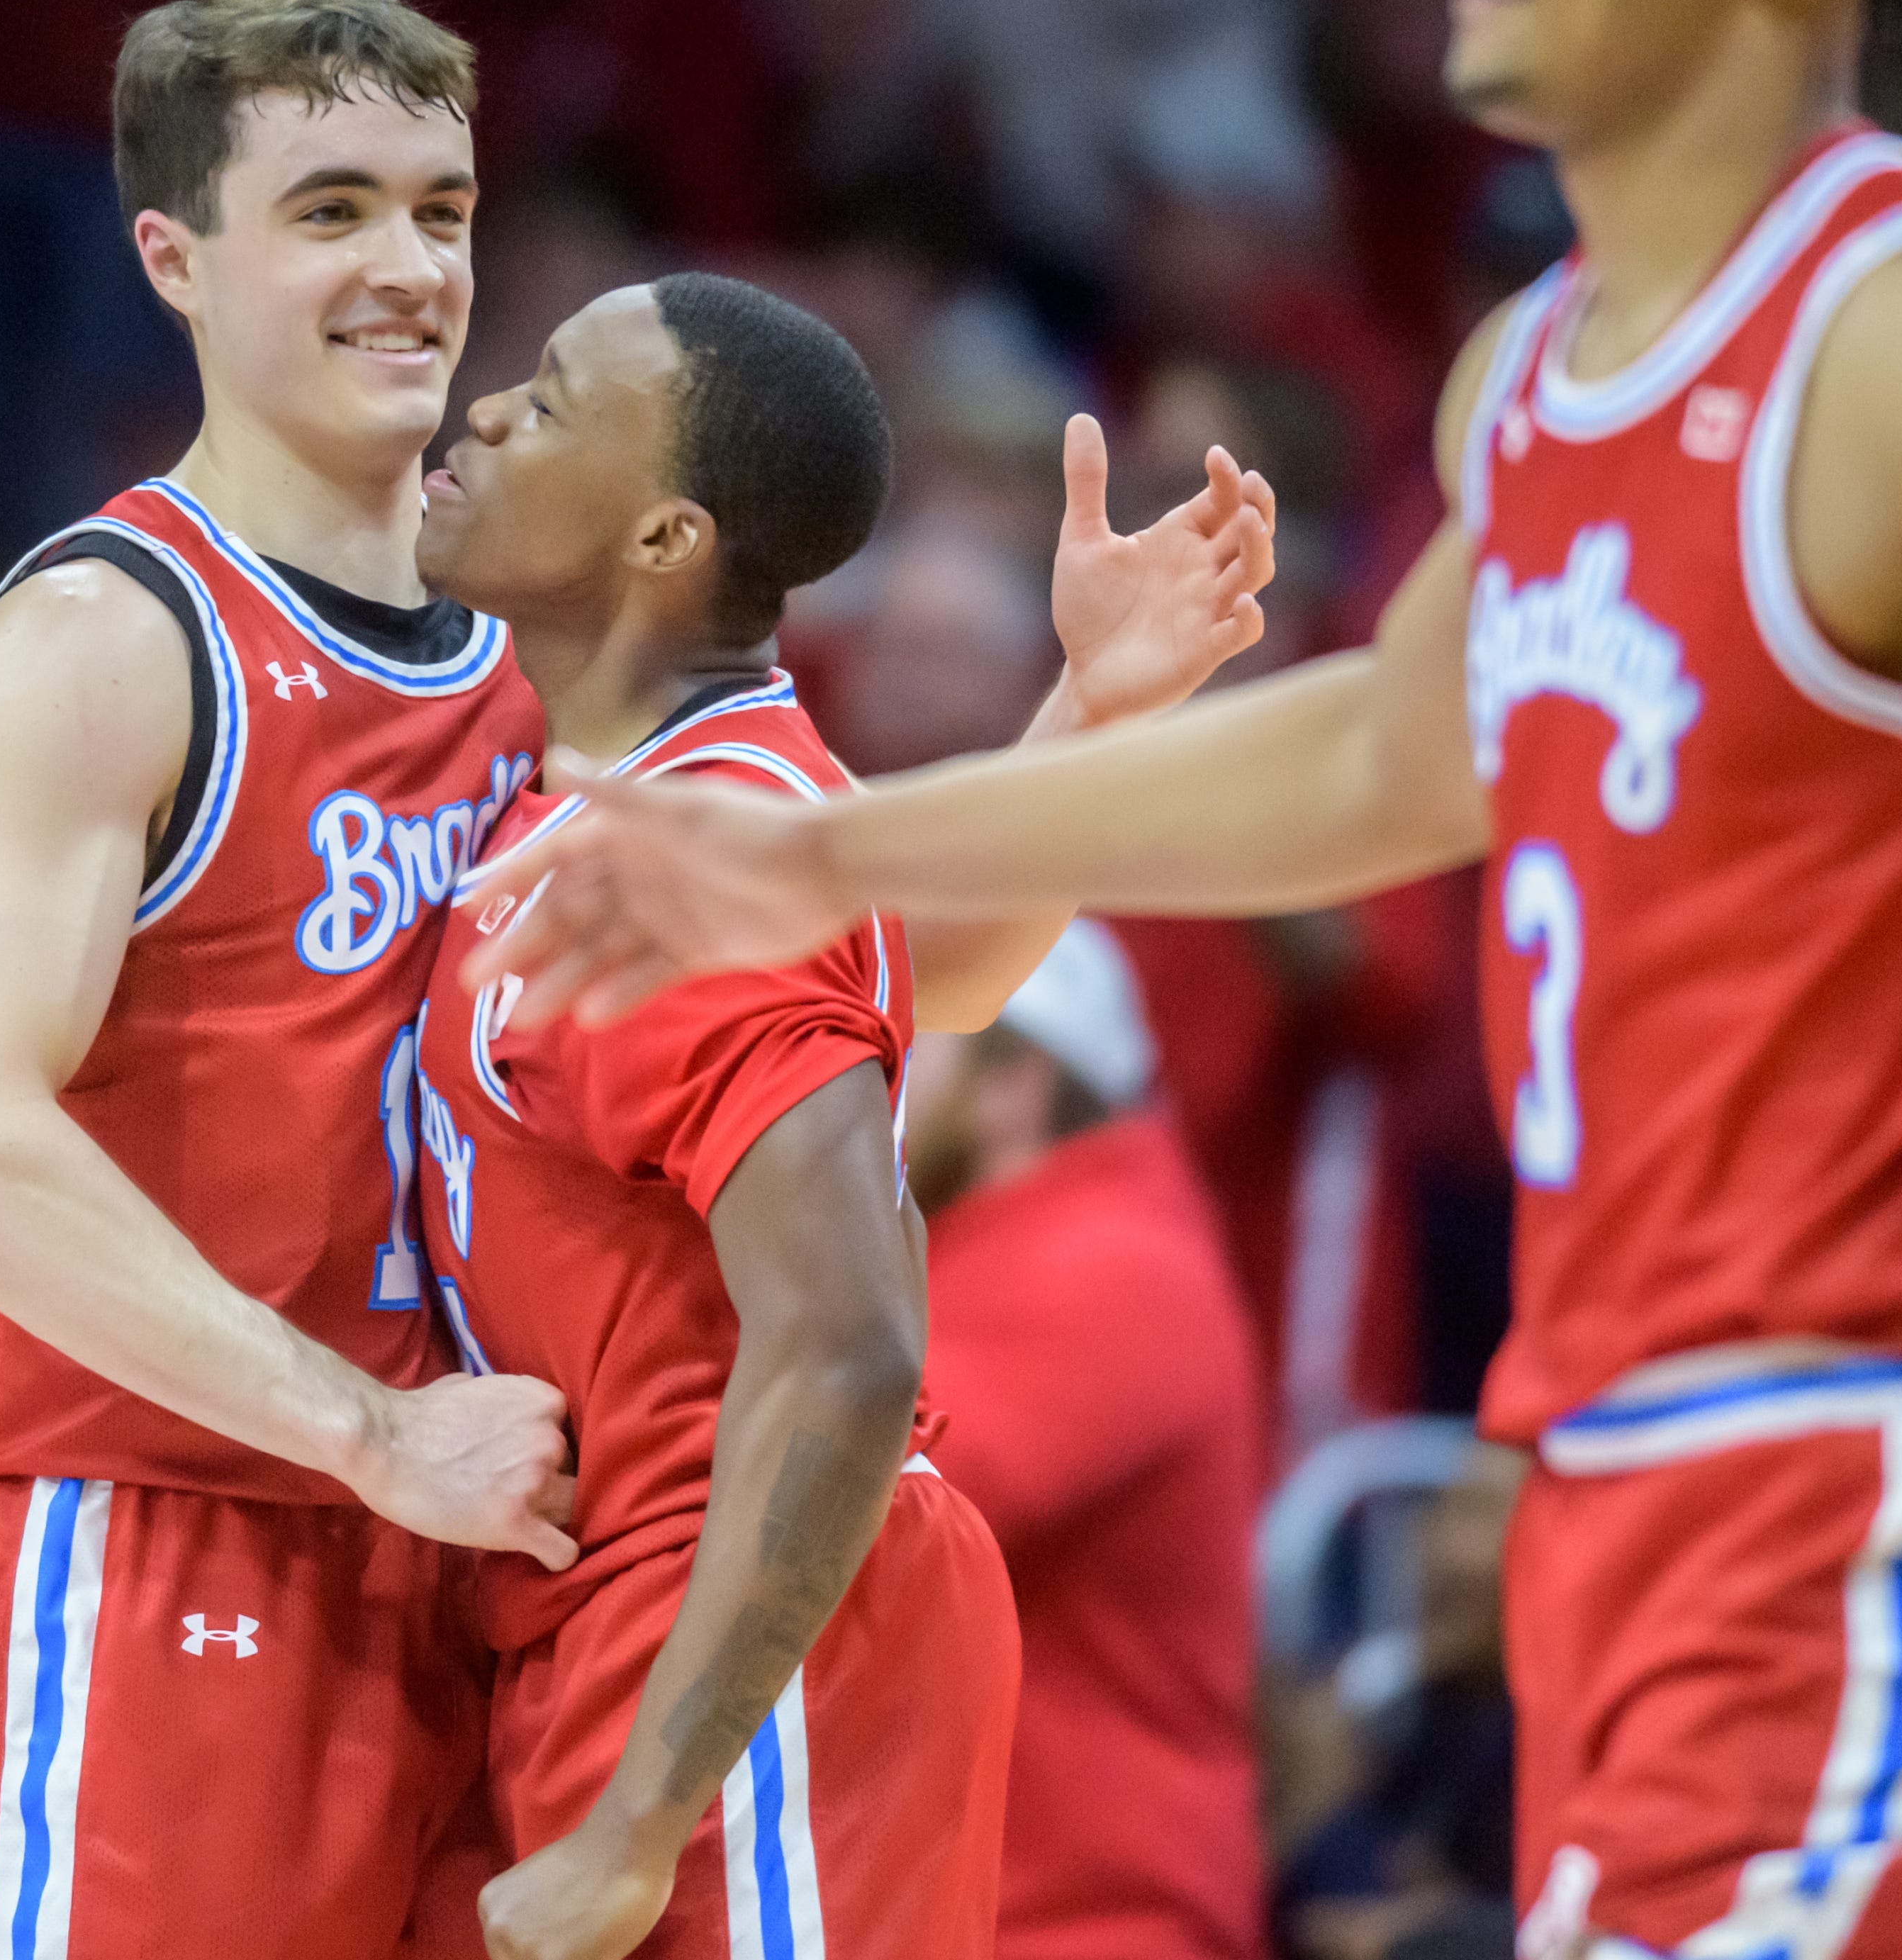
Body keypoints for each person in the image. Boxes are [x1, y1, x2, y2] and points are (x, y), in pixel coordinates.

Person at [463, 0, 1902, 1954]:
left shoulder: (1883, 344)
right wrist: (827, 854)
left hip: (1841, 1463)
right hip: (1616, 1476)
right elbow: (1377, 757)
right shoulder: (1525, 384)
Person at [407, 271, 1277, 1960]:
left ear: (665, 541)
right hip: (640, 1623)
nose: (490, 411)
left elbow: (856, 1354)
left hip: (735, 1656)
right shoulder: (693, 815)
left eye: (555, 400)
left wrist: (643, 1818)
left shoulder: (702, 852)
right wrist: (1085, 715)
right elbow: (925, 969)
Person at [0, 0, 577, 1960]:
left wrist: (1091, 720)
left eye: (439, 209)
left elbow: (849, 994)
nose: (410, 266)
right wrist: (361, 1429)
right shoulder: (107, 636)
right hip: (165, 1545)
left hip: (466, 1570)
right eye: (332, 209)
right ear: (173, 259)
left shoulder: (532, 651)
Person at [907, 921, 1268, 1960]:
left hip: (1084, 1925)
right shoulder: (1040, 1243)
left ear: (1011, 1079)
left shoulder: (1107, 1259)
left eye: (895, 1039)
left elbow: (842, 1506)